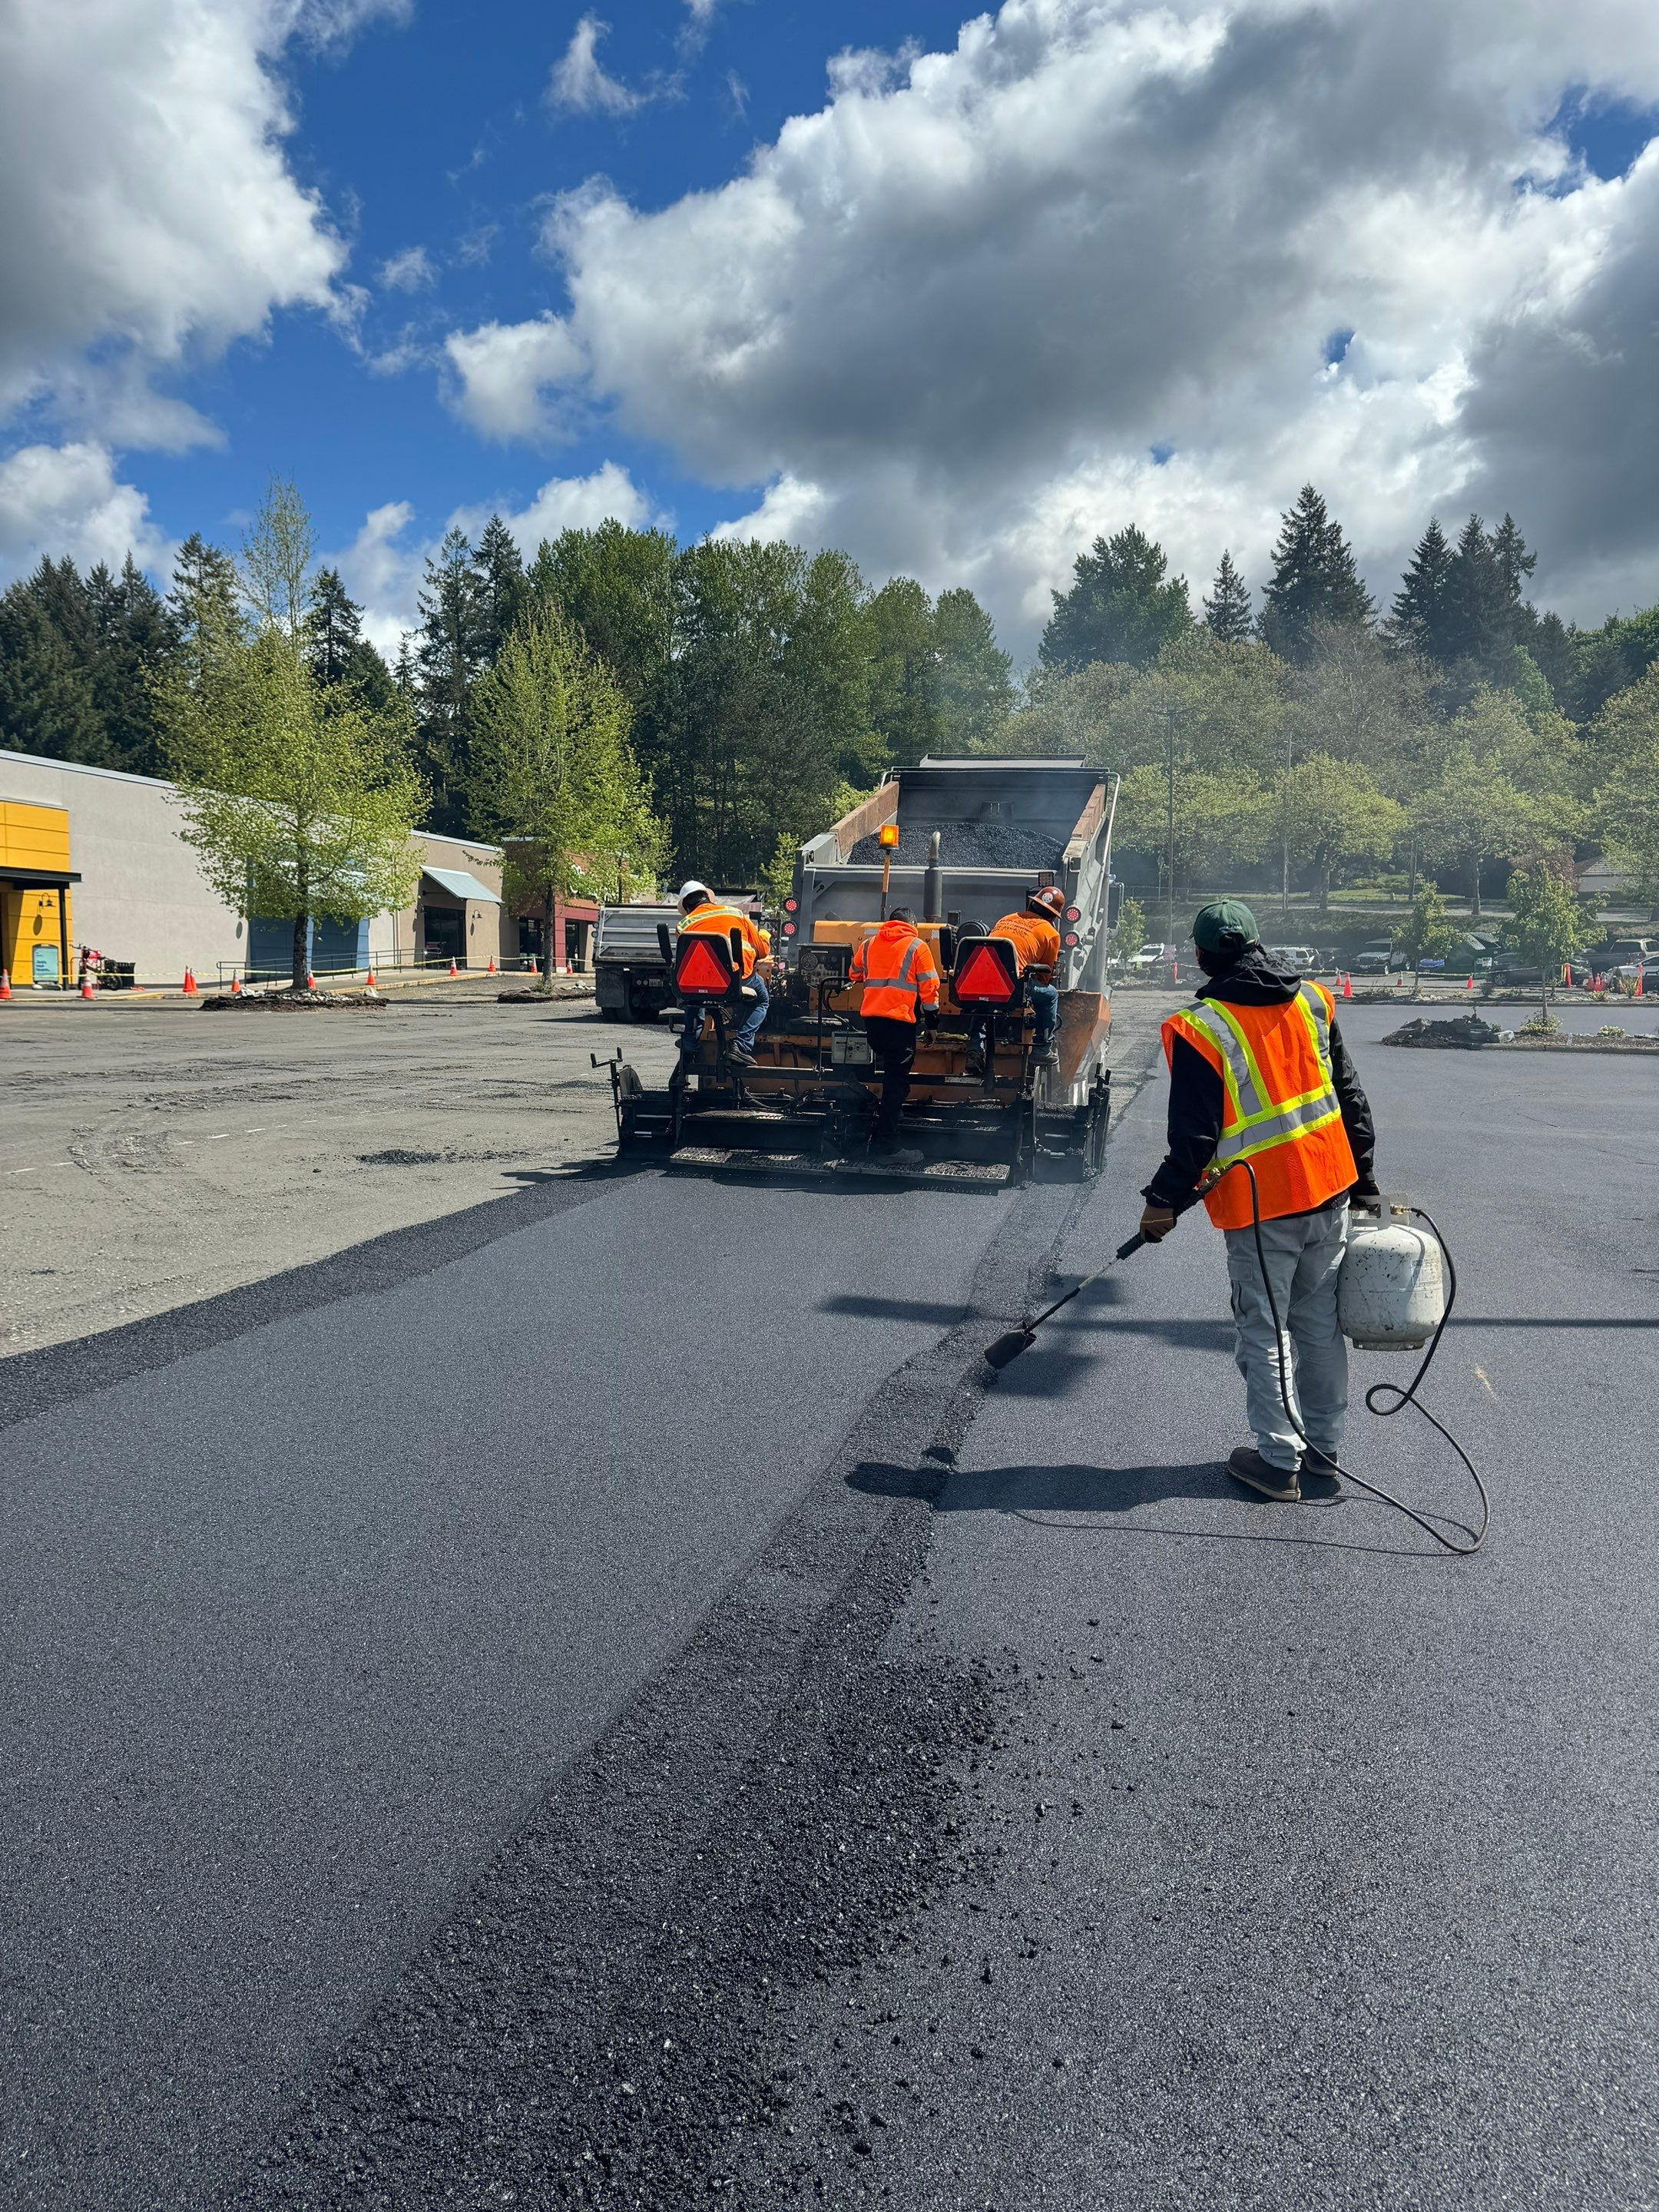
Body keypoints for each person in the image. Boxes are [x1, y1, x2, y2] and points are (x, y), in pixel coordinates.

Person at [1137, 900, 1379, 1503]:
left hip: (1264, 1203)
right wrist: (1366, 1180)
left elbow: (1193, 1134)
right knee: (1318, 1327)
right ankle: (1323, 1454)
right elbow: (1349, 1096)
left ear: (1199, 955)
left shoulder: (1203, 1027)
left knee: (1264, 1333)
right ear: (1257, 944)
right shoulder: (1313, 1001)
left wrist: (1163, 1201)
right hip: (1330, 1190)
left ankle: (1279, 1461)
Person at [850, 906, 941, 1164]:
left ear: (889, 923)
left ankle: (877, 1124)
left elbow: (854, 973)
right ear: (912, 924)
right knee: (896, 1085)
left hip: (872, 1024)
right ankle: (887, 1147)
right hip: (899, 1025)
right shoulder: (917, 947)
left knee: (887, 1078)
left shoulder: (868, 944)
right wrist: (932, 1024)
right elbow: (930, 990)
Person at [967, 886, 1065, 1073]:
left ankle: (974, 1048)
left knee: (983, 1000)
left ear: (1031, 904)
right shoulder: (1051, 933)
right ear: (1053, 917)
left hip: (980, 981)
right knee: (1050, 995)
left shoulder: (1006, 918)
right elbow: (1045, 977)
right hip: (1013, 989)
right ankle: (1043, 1049)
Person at [674, 880, 771, 1067]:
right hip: (736, 981)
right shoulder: (735, 913)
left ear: (686, 906)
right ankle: (740, 1046)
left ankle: (690, 1040)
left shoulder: (683, 926)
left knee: (695, 996)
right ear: (708, 897)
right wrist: (765, 936)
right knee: (762, 1000)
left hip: (701, 985)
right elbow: (762, 950)